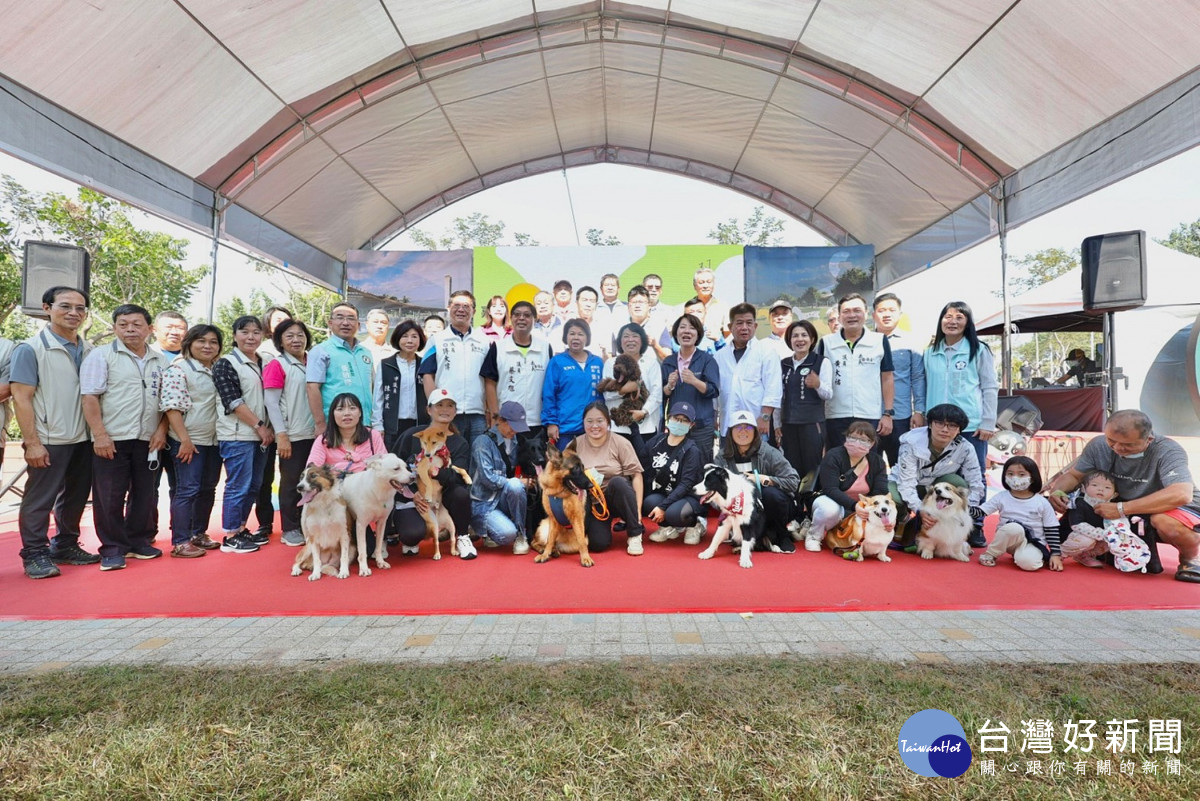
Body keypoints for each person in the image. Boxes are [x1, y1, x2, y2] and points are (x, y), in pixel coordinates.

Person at [1045, 409, 1200, 583]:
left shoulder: (1167, 450)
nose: (1118, 448)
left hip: (1171, 507)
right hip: (1125, 506)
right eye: (1112, 441)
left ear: (1149, 439)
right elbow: (1074, 476)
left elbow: (1181, 493)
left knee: (1164, 522)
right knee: (1085, 505)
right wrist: (1058, 491)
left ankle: (1191, 558)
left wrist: (1122, 509)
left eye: (1128, 445)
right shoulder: (1099, 445)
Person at [11, 287, 99, 579]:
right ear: (47, 308)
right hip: (50, 438)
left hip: (83, 438)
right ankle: (34, 553)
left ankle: (65, 544)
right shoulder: (30, 349)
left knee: (75, 496)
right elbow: (21, 398)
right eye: (66, 306)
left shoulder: (89, 351)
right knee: (39, 499)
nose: (74, 313)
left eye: (80, 308)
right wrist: (32, 443)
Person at [80, 303, 169, 571]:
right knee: (109, 495)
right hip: (112, 438)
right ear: (115, 328)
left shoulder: (160, 360)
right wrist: (100, 435)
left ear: (149, 329)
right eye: (123, 324)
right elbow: (90, 397)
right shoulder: (101, 356)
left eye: (136, 324)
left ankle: (138, 541)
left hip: (149, 438)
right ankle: (113, 548)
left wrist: (161, 430)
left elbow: (169, 401)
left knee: (145, 493)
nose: (130, 329)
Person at [160, 324, 224, 558]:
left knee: (207, 488)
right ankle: (180, 541)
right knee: (187, 489)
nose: (208, 346)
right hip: (188, 440)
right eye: (201, 341)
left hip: (214, 440)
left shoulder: (218, 368)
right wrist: (185, 440)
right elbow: (171, 407)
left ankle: (199, 533)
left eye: (213, 342)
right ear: (189, 343)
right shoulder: (179, 369)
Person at [389, 388, 476, 560]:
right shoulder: (412, 435)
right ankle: (398, 531)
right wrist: (412, 493)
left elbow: (457, 479)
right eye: (440, 405)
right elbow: (393, 468)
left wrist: (435, 472)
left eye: (450, 405)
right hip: (414, 495)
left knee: (461, 494)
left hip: (443, 496)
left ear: (455, 411)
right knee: (411, 535)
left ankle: (462, 536)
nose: (445, 409)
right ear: (429, 410)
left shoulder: (460, 443)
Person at [214, 315, 274, 554]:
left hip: (262, 435)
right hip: (238, 435)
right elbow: (233, 401)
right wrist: (259, 425)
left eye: (256, 332)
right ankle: (230, 534)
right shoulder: (226, 363)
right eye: (245, 332)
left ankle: (241, 527)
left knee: (254, 485)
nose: (251, 337)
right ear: (235, 335)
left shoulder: (265, 361)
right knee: (238, 485)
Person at [889, 403, 985, 548]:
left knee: (959, 485)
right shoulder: (911, 442)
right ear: (930, 424)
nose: (945, 429)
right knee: (893, 497)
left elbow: (976, 483)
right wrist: (920, 510)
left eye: (952, 425)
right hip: (906, 483)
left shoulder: (966, 448)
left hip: (936, 485)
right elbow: (906, 483)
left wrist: (963, 511)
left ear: (959, 430)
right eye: (940, 423)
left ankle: (945, 524)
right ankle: (902, 519)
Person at [924, 301, 997, 477]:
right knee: (937, 476)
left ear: (968, 323)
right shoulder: (930, 352)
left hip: (971, 425)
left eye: (959, 317)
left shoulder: (978, 350)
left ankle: (974, 506)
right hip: (937, 426)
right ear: (941, 321)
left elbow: (990, 387)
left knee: (973, 475)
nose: (952, 322)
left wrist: (988, 422)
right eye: (948, 317)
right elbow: (924, 386)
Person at [418, 290, 491, 460]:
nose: (461, 309)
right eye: (456, 305)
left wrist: (489, 409)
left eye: (466, 306)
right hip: (447, 413)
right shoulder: (437, 339)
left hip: (477, 413)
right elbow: (427, 374)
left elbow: (489, 379)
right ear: (448, 308)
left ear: (473, 311)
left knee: (477, 459)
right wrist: (434, 406)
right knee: (446, 459)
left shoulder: (484, 341)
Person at [263, 319, 317, 548]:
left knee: (313, 481)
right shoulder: (278, 365)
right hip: (292, 434)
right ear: (280, 341)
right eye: (289, 336)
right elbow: (271, 402)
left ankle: (309, 524)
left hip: (314, 433)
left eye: (300, 335)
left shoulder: (312, 362)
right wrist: (281, 434)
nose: (296, 340)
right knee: (291, 481)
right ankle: (290, 528)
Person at [714, 410, 799, 552]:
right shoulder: (722, 457)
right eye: (738, 427)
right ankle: (756, 537)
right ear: (730, 432)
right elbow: (714, 491)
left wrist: (765, 480)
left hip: (771, 505)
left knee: (771, 494)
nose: (743, 432)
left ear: (755, 432)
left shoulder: (768, 452)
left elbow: (793, 481)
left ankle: (782, 535)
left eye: (747, 427)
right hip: (741, 509)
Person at [567, 401, 646, 554]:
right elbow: (564, 475)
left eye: (600, 421)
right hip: (592, 502)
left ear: (608, 423)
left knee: (618, 482)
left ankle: (635, 533)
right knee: (598, 544)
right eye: (589, 421)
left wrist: (638, 511)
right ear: (583, 423)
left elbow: (637, 475)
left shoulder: (621, 443)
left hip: (617, 497)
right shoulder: (574, 445)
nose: (594, 426)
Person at [819, 293, 894, 450]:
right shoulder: (826, 343)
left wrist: (887, 413)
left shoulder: (879, 341)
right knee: (838, 463)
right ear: (839, 316)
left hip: (869, 416)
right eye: (846, 311)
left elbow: (887, 378)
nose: (852, 315)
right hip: (835, 416)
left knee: (869, 464)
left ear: (866, 314)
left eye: (857, 310)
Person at [804, 421, 888, 553]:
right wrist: (854, 506)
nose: (857, 443)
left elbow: (881, 491)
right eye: (853, 438)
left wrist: (866, 507)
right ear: (846, 438)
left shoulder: (877, 462)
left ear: (871, 444)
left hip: (863, 506)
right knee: (829, 510)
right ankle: (814, 535)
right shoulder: (833, 456)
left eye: (863, 440)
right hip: (832, 500)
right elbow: (830, 489)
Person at [972, 456, 1062, 571]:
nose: (1015, 478)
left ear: (1033, 478)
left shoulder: (1042, 502)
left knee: (1030, 565)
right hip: (1008, 538)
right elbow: (980, 512)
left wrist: (1055, 554)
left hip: (1032, 542)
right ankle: (991, 554)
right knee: (1014, 528)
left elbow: (1051, 528)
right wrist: (961, 508)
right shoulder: (1002, 497)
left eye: (1021, 474)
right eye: (1010, 474)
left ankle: (1020, 554)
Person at [482, 300, 551, 439]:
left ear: (534, 319)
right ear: (511, 318)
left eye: (527, 315)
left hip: (537, 420)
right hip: (507, 422)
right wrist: (495, 415)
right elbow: (489, 382)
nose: (521, 318)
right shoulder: (498, 347)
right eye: (517, 315)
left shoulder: (545, 347)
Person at [775, 318, 831, 490]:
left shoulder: (821, 362)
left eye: (804, 335)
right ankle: (795, 510)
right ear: (789, 340)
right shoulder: (783, 364)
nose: (800, 339)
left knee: (812, 468)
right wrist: (777, 424)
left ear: (812, 339)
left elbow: (828, 394)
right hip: (788, 425)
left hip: (812, 425)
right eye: (795, 336)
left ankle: (813, 508)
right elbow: (777, 396)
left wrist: (818, 384)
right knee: (791, 468)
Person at [470, 400, 533, 554]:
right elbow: (487, 479)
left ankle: (521, 535)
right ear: (499, 421)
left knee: (516, 486)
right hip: (484, 502)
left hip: (505, 497)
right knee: (506, 534)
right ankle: (486, 531)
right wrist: (518, 481)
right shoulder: (482, 442)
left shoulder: (518, 442)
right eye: (512, 426)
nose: (515, 432)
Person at [872, 293, 925, 466]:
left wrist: (919, 410)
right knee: (870, 466)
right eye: (881, 310)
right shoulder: (866, 342)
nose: (886, 314)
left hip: (900, 414)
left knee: (901, 465)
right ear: (874, 315)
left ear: (900, 315)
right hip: (869, 414)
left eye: (891, 310)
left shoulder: (911, 342)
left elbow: (917, 377)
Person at [714, 303, 782, 439]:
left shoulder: (766, 352)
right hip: (728, 423)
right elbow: (716, 390)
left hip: (757, 424)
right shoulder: (719, 356)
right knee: (728, 459)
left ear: (755, 326)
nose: (744, 327)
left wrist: (765, 417)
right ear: (730, 327)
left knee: (757, 460)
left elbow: (773, 388)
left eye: (749, 323)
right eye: (739, 323)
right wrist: (714, 417)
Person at [252, 306, 291, 543]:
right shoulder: (262, 351)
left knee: (290, 475)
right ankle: (264, 522)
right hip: (265, 424)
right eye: (277, 320)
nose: (281, 324)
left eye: (286, 320)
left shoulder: (300, 354)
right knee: (264, 476)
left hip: (292, 425)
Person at [643, 402, 706, 545]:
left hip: (688, 497)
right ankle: (668, 528)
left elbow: (686, 484)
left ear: (691, 425)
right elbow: (644, 467)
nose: (679, 423)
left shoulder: (692, 450)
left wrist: (663, 507)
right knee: (649, 502)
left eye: (684, 421)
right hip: (664, 493)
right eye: (676, 418)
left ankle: (695, 525)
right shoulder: (655, 442)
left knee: (673, 513)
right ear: (668, 419)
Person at [307, 302, 373, 437]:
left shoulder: (365, 352)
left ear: (359, 325)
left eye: (351, 318)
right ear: (330, 323)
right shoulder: (321, 351)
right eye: (340, 317)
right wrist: (320, 424)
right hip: (334, 426)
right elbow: (312, 388)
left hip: (364, 424)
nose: (345, 322)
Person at [661, 312, 721, 459]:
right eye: (682, 327)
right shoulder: (668, 361)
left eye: (692, 328)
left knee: (702, 465)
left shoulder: (707, 360)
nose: (687, 331)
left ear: (698, 334)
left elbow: (714, 390)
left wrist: (695, 381)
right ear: (676, 333)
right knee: (676, 465)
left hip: (701, 426)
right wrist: (669, 385)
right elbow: (661, 394)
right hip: (677, 426)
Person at [601, 322, 662, 460]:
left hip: (645, 427)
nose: (630, 340)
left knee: (644, 467)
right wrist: (623, 390)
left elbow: (657, 394)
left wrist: (644, 412)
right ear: (620, 342)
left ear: (642, 341)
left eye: (635, 336)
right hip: (617, 427)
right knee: (619, 468)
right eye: (626, 336)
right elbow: (606, 394)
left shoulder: (651, 363)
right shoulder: (611, 363)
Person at [541, 318, 604, 447]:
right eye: (572, 333)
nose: (576, 338)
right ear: (566, 337)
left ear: (587, 338)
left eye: (580, 334)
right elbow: (548, 395)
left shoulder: (597, 362)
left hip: (593, 428)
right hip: (565, 430)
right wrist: (551, 423)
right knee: (566, 467)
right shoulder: (557, 362)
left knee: (592, 467)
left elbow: (604, 395)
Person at [374, 319, 429, 452]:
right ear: (397, 338)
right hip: (393, 426)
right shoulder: (386, 364)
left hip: (420, 425)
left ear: (420, 340)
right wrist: (378, 426)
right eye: (405, 336)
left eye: (414, 337)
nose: (409, 341)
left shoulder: (425, 365)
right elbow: (378, 398)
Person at [307, 392, 386, 474]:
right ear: (332, 414)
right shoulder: (323, 440)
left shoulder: (373, 435)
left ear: (360, 413)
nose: (347, 413)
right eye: (340, 409)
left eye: (352, 408)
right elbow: (312, 471)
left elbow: (385, 466)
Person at [593, 273, 628, 358]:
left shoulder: (627, 307)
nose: (610, 287)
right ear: (601, 289)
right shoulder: (594, 309)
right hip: (601, 356)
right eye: (606, 285)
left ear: (618, 288)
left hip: (624, 355)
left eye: (613, 285)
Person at [692, 267, 727, 345]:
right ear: (694, 286)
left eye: (709, 282)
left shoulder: (723, 307)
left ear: (713, 284)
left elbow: (728, 335)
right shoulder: (687, 307)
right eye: (701, 282)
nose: (705, 285)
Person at [574, 285, 605, 358]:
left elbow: (608, 356)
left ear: (596, 305)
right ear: (576, 303)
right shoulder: (565, 327)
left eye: (592, 301)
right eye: (584, 300)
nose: (588, 305)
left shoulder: (603, 328)